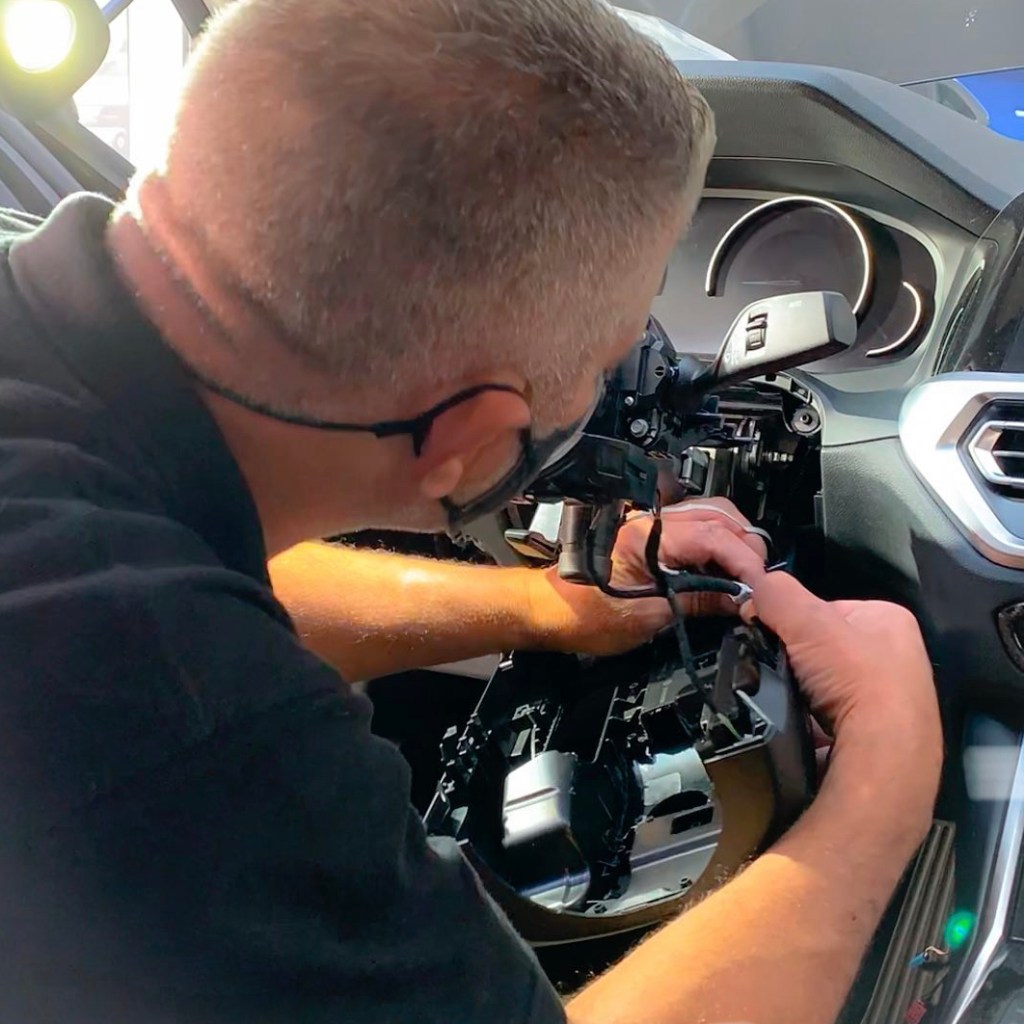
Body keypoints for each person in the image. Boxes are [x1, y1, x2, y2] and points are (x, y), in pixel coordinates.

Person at [0, 0, 941, 1022]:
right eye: (603, 366)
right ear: (466, 439)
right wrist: (883, 784)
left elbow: (217, 575)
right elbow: (175, 663)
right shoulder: (180, 736)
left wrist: (541, 609)